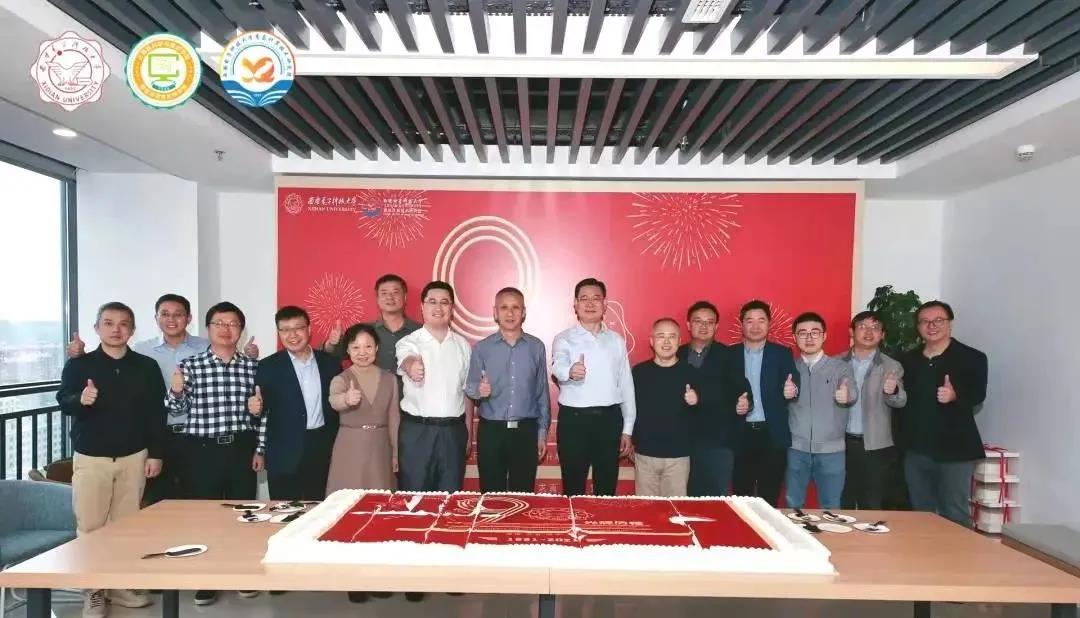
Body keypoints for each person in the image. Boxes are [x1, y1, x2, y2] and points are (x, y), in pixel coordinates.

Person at [57, 302, 165, 617]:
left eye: (123, 323)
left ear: (132, 330)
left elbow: (156, 414)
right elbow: (64, 400)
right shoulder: (79, 365)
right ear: (97, 328)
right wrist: (81, 399)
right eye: (108, 323)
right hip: (92, 458)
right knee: (90, 527)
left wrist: (156, 453)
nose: (116, 329)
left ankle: (120, 586)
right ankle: (93, 591)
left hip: (134, 457)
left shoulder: (146, 366)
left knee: (125, 527)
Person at [66, 294, 211, 503]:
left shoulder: (205, 348)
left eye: (178, 314)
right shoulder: (142, 351)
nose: (171, 319)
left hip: (197, 437)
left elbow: (229, 360)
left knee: (199, 500)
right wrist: (80, 390)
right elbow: (72, 394)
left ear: (188, 318)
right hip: (148, 440)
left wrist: (250, 355)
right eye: (165, 314)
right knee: (156, 503)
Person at [167, 301, 260, 606]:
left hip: (241, 447)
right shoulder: (191, 365)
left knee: (243, 514)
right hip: (201, 450)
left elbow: (261, 413)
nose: (225, 329)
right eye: (219, 323)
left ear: (240, 330)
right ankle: (206, 579)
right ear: (208, 328)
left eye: (232, 324)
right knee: (203, 517)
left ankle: (241, 573)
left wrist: (258, 429)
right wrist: (176, 390)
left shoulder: (252, 367)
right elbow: (176, 409)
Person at [326, 322, 401, 604]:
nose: (362, 351)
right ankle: (352, 579)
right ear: (347, 350)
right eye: (355, 346)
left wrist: (395, 453)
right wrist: (346, 399)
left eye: (368, 346)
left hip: (380, 447)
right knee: (350, 513)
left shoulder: (390, 379)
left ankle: (378, 576)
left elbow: (394, 418)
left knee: (379, 513)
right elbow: (333, 400)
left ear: (377, 348)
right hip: (350, 447)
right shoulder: (342, 378)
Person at [897, 300, 988, 527]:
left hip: (955, 450)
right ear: (918, 327)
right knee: (920, 513)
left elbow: (978, 395)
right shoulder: (907, 360)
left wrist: (955, 396)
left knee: (954, 512)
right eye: (925, 322)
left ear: (950, 323)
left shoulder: (972, 357)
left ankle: (958, 552)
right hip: (916, 450)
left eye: (938, 320)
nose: (932, 326)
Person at [551, 278, 636, 496]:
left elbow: (626, 386)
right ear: (575, 304)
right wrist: (570, 371)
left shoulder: (616, 340)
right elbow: (557, 366)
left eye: (596, 298)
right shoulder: (564, 338)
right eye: (584, 299)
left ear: (605, 304)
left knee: (606, 491)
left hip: (609, 421)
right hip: (574, 422)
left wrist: (627, 429)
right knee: (572, 490)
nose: (590, 304)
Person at [464, 287, 550, 493]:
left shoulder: (536, 347)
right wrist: (479, 390)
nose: (510, 313)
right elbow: (470, 386)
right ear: (495, 312)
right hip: (492, 432)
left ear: (524, 312)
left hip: (526, 432)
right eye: (504, 307)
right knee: (491, 496)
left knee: (523, 496)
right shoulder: (482, 348)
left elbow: (542, 393)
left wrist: (541, 433)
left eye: (515, 308)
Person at [249, 306, 340, 501]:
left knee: (319, 507)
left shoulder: (330, 363)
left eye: (298, 328)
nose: (292, 335)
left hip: (322, 449)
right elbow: (259, 412)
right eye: (285, 329)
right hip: (283, 454)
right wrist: (255, 410)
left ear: (309, 329)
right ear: (279, 333)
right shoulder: (268, 366)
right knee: (283, 510)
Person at [396, 281, 474, 492]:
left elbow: (466, 393)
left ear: (452, 309)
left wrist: (468, 432)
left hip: (453, 432)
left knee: (450, 497)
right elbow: (407, 359)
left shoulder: (463, 346)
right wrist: (412, 366)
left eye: (444, 302)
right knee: (415, 496)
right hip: (418, 431)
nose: (438, 307)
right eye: (432, 302)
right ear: (422, 307)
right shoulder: (409, 342)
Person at [729, 300, 800, 506]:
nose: (755, 326)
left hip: (772, 434)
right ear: (742, 324)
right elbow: (723, 390)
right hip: (740, 433)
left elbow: (794, 382)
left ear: (769, 324)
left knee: (770, 495)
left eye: (761, 320)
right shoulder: (730, 355)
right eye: (749, 320)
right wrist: (734, 405)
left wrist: (792, 390)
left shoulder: (782, 353)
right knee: (741, 495)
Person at [784, 312, 857, 510]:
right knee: (793, 505)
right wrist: (784, 393)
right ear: (795, 337)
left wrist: (846, 396)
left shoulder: (840, 368)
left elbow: (852, 392)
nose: (809, 338)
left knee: (831, 506)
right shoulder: (789, 368)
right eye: (803, 333)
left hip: (831, 451)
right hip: (796, 450)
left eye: (815, 332)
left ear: (824, 336)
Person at [678, 301, 751, 496]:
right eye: (698, 321)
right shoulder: (676, 353)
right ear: (688, 324)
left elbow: (743, 388)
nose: (704, 326)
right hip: (682, 441)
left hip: (718, 442)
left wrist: (746, 403)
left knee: (716, 499)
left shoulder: (729, 355)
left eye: (709, 322)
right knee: (683, 499)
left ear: (716, 326)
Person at [840, 311, 907, 510]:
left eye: (875, 328)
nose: (869, 332)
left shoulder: (891, 366)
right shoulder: (836, 363)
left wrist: (893, 391)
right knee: (842, 501)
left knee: (871, 502)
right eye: (862, 326)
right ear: (851, 331)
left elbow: (900, 401)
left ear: (882, 334)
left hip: (875, 446)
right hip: (840, 444)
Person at [630, 318, 700, 497]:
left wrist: (696, 401)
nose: (666, 341)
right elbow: (628, 410)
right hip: (645, 454)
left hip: (678, 456)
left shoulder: (691, 372)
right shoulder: (639, 372)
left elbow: (704, 415)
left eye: (672, 336)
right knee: (646, 508)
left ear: (679, 341)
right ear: (652, 341)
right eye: (661, 336)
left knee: (675, 509)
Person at [325, 274, 420, 376]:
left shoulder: (420, 331)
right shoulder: (362, 331)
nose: (389, 297)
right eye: (384, 293)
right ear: (377, 299)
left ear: (405, 297)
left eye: (395, 292)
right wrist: (331, 343)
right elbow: (333, 354)